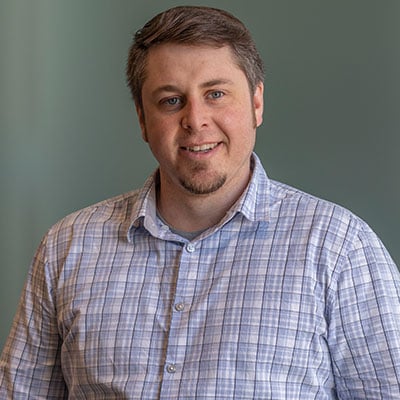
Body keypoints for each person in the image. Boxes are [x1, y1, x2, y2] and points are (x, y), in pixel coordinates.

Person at [1, 5, 400, 399]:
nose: (196, 120)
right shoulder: (66, 248)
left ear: (256, 103)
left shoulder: (339, 249)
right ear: (142, 119)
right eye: (171, 100)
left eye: (216, 94)